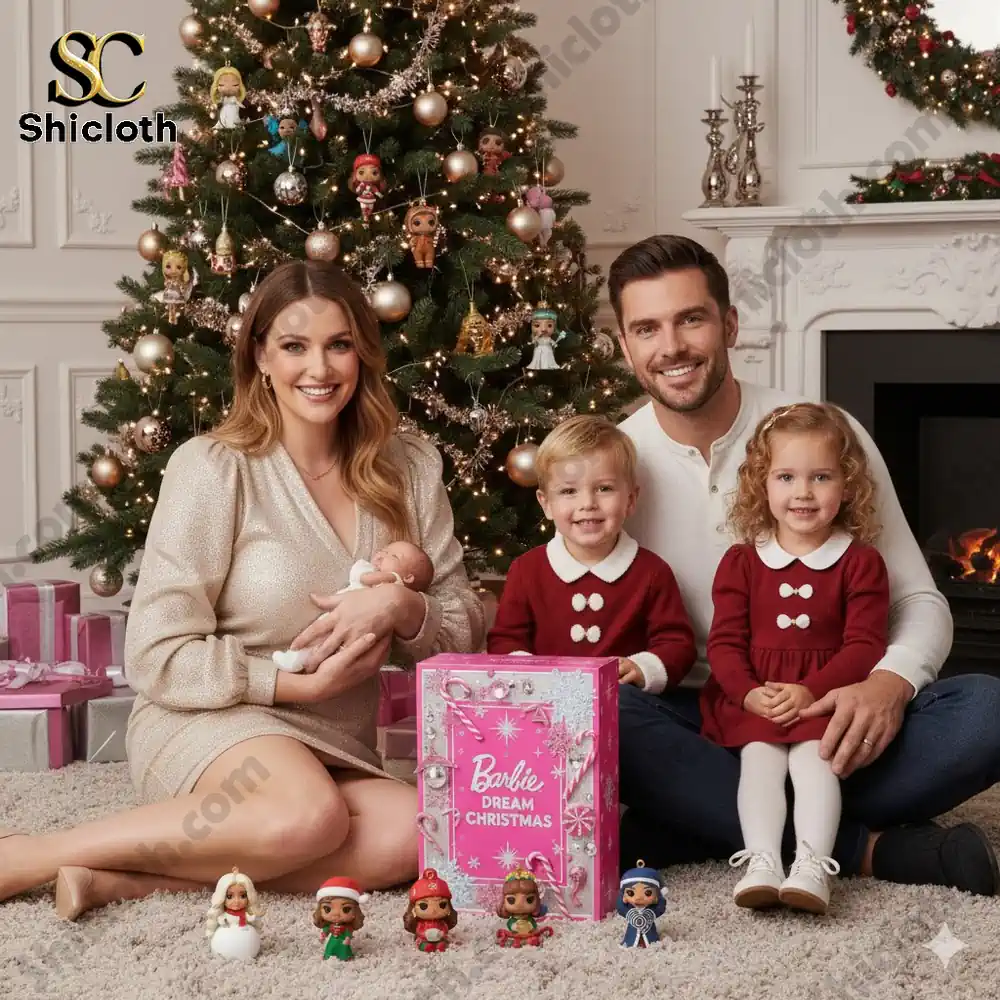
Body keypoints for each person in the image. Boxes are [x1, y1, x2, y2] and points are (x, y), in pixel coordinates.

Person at [0, 260, 485, 919]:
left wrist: (403, 607)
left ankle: (127, 883)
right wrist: (289, 685)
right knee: (309, 819)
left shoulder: (412, 469)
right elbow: (154, 653)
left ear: (363, 353)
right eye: (294, 346)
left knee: (416, 835)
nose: (319, 369)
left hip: (336, 740)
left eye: (338, 344)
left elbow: (463, 627)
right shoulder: (212, 467)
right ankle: (30, 855)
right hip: (212, 720)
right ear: (259, 355)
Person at [611, 233, 1000, 895]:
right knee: (607, 716)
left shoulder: (821, 434)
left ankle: (694, 823)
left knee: (987, 711)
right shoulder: (616, 463)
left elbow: (920, 602)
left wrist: (889, 683)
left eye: (691, 319)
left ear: (730, 324)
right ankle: (871, 850)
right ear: (624, 344)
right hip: (700, 717)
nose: (670, 347)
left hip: (833, 709)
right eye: (646, 328)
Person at [703, 402, 890, 914]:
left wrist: (814, 692)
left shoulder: (860, 562)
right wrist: (747, 693)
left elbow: (865, 646)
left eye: (821, 477)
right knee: (759, 763)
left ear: (847, 486)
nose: (803, 492)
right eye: (786, 476)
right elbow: (723, 643)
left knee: (817, 765)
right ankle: (762, 861)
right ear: (762, 486)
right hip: (757, 697)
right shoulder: (742, 561)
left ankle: (813, 866)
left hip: (822, 700)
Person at [486, 414, 697, 693]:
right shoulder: (527, 570)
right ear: (546, 503)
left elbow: (677, 643)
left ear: (630, 500)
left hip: (625, 705)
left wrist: (641, 668)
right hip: (546, 704)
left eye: (604, 489)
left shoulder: (651, 572)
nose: (588, 503)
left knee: (633, 713)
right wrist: (531, 676)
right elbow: (505, 640)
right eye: (569, 491)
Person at [272, 540, 435, 672]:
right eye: (383, 551)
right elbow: (364, 579)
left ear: (408, 577)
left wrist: (381, 576)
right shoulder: (382, 577)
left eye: (393, 556)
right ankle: (296, 658)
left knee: (329, 639)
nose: (381, 556)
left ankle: (298, 659)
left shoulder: (394, 582)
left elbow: (366, 580)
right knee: (323, 634)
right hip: (342, 613)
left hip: (358, 627)